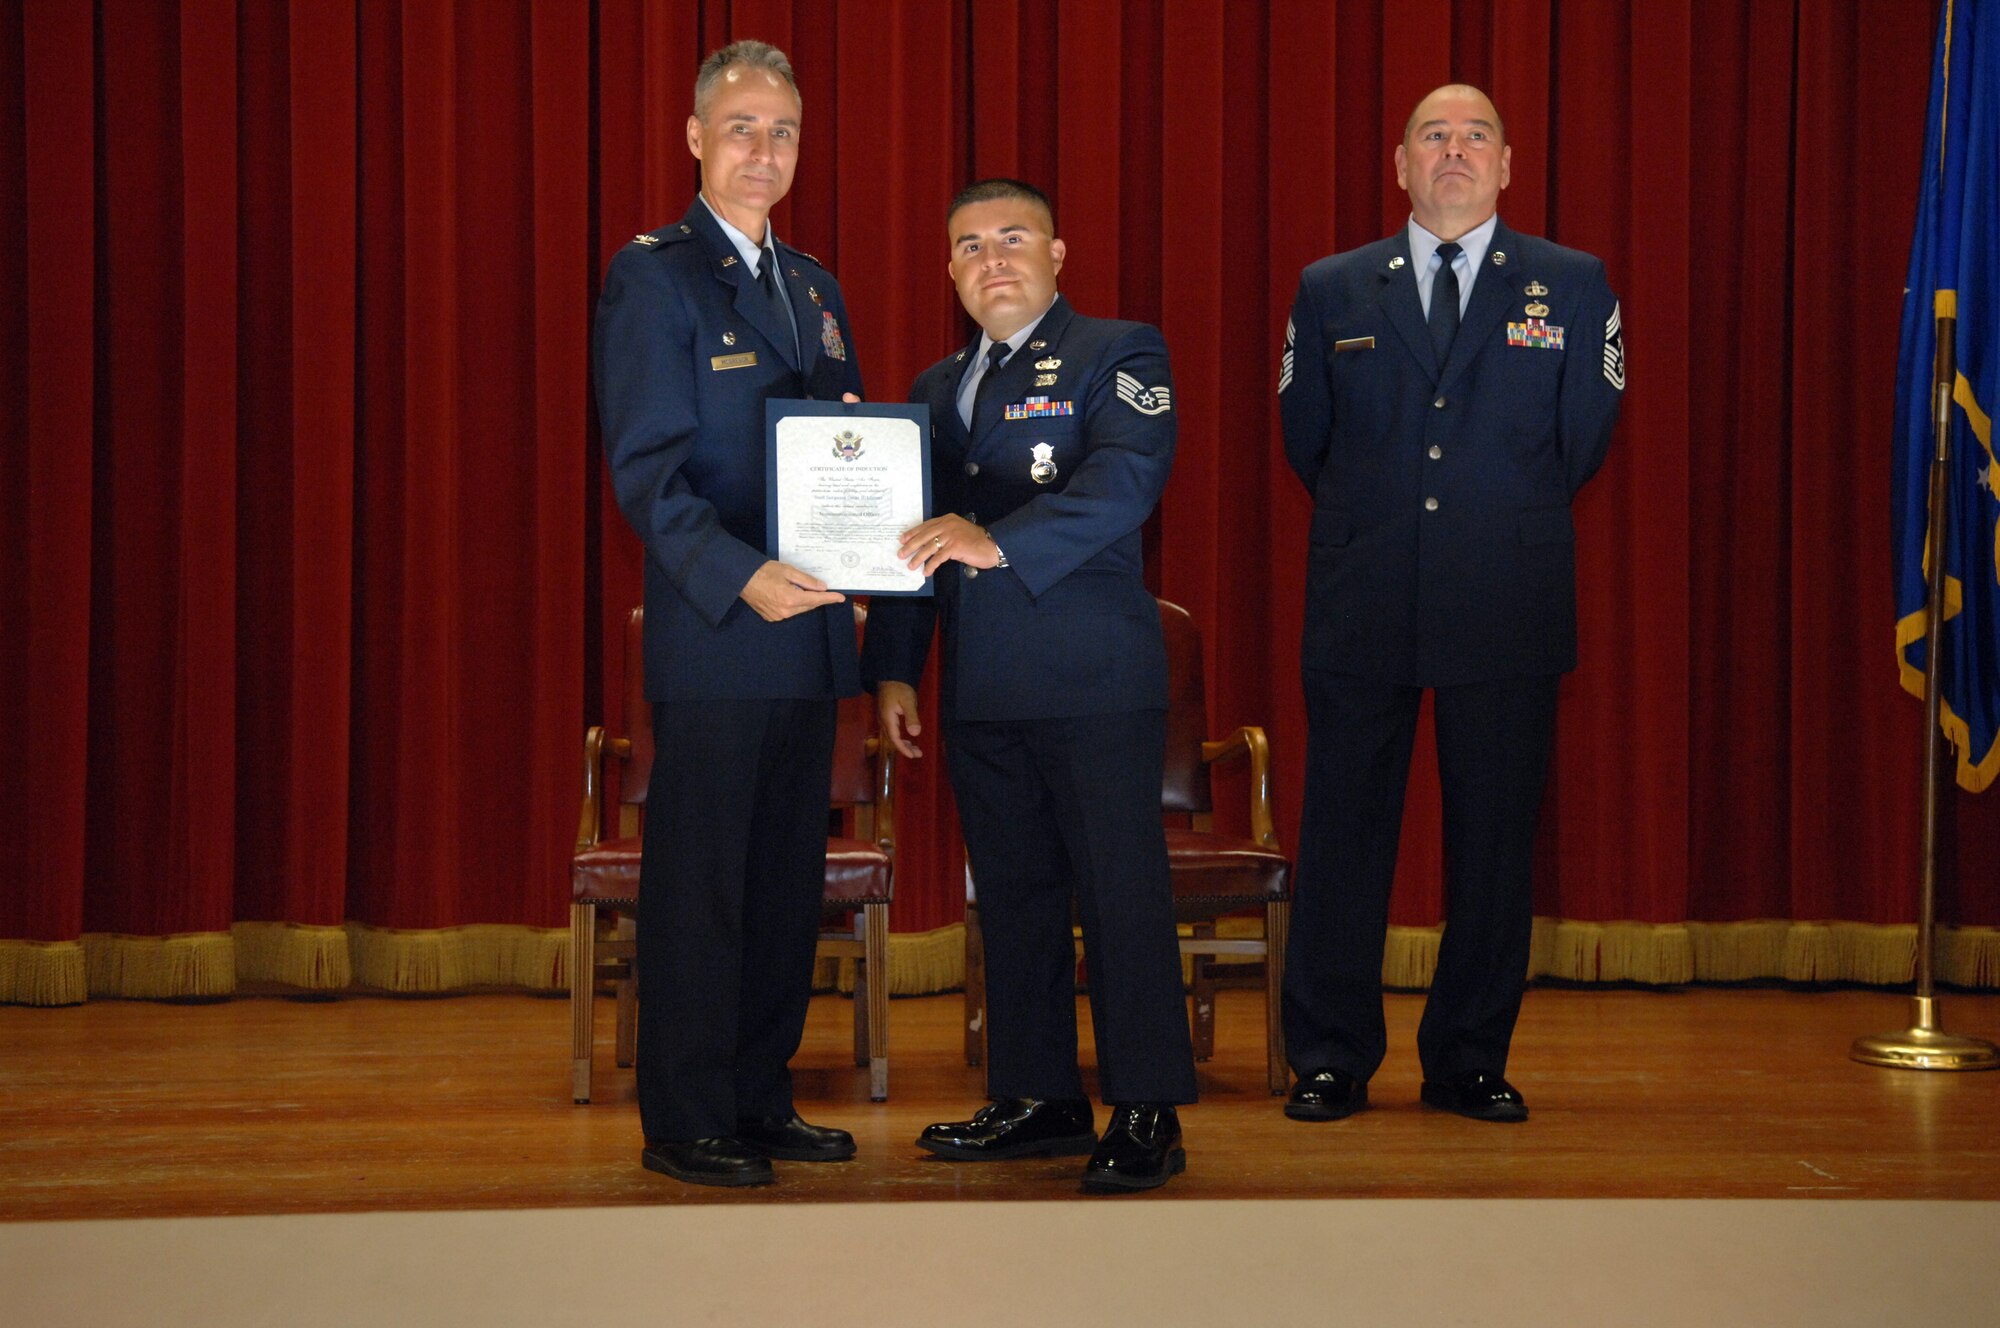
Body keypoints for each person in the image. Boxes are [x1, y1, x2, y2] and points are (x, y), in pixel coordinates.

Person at [1277, 85, 1626, 1125]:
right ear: (1398, 163)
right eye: (1433, 135)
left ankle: (1468, 1055)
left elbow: (1581, 440)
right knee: (1342, 834)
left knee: (1491, 840)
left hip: (1503, 595)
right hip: (1363, 590)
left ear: (1507, 165)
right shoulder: (1331, 287)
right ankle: (1330, 1055)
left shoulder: (1570, 283)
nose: (1454, 151)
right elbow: (1307, 438)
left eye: (1476, 136)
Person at [862, 179, 1198, 1192]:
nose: (991, 258)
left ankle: (1145, 1106)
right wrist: (891, 670)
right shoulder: (931, 387)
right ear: (949, 272)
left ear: (1059, 252)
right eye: (968, 245)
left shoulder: (1118, 349)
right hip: (981, 683)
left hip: (1092, 674)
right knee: (1011, 898)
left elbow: (1126, 479)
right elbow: (917, 538)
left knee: (1119, 894)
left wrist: (993, 539)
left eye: (1012, 237)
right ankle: (1038, 1093)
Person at [591, 40, 865, 1187]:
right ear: (696, 138)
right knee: (701, 884)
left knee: (781, 879)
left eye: (784, 132)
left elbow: (841, 452)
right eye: (743, 127)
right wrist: (739, 573)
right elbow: (647, 469)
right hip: (717, 627)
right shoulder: (652, 275)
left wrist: (858, 550)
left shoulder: (812, 285)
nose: (764, 150)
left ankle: (759, 1092)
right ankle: (687, 1113)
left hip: (807, 636)